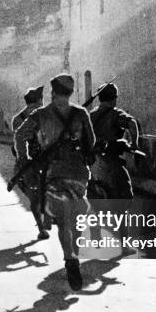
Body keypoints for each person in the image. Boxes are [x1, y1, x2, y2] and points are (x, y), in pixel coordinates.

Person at [15, 74, 95, 291]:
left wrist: (25, 159)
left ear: (53, 91)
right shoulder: (81, 113)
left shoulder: (41, 114)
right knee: (76, 214)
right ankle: (75, 254)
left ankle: (69, 258)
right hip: (78, 173)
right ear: (70, 92)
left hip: (54, 172)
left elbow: (20, 135)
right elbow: (92, 142)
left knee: (62, 219)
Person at [12, 86, 51, 240]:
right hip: (45, 160)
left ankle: (41, 228)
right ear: (39, 100)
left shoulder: (17, 119)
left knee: (33, 197)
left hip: (26, 163)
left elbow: (17, 141)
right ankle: (48, 216)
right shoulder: (46, 115)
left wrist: (23, 159)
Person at [88, 83, 140, 200]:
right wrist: (135, 144)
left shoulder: (90, 115)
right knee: (125, 196)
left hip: (94, 163)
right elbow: (132, 123)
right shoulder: (115, 113)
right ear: (114, 98)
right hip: (111, 162)